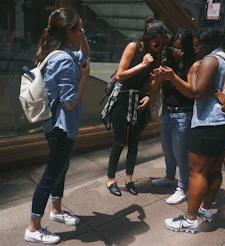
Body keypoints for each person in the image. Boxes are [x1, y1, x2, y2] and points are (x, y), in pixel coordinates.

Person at [164, 27, 225, 233]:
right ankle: (206, 210)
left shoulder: (210, 60)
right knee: (214, 169)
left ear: (206, 46)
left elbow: (197, 94)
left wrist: (182, 75)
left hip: (211, 124)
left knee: (197, 172)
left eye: (197, 46)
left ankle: (190, 220)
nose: (195, 50)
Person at [24, 8, 90, 244]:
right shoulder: (63, 59)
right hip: (61, 128)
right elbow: (70, 102)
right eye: (79, 29)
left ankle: (57, 211)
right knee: (51, 175)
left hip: (56, 126)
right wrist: (84, 78)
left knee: (60, 170)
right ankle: (33, 227)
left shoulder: (58, 53)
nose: (82, 33)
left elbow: (85, 56)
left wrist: (81, 36)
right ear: (68, 31)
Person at [102, 17, 167, 197]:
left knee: (135, 142)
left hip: (139, 98)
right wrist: (142, 65)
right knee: (119, 141)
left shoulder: (157, 56)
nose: (158, 46)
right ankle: (110, 179)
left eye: (162, 43)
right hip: (122, 97)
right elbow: (120, 75)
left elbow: (151, 85)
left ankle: (129, 179)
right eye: (156, 43)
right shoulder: (133, 47)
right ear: (147, 38)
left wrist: (152, 88)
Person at [150, 29, 196, 205]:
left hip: (184, 114)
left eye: (180, 50)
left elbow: (191, 93)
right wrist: (158, 78)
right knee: (167, 149)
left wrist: (173, 77)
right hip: (168, 113)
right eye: (173, 49)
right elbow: (154, 88)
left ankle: (183, 187)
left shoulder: (192, 65)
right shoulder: (166, 62)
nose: (176, 53)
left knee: (180, 154)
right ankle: (170, 177)